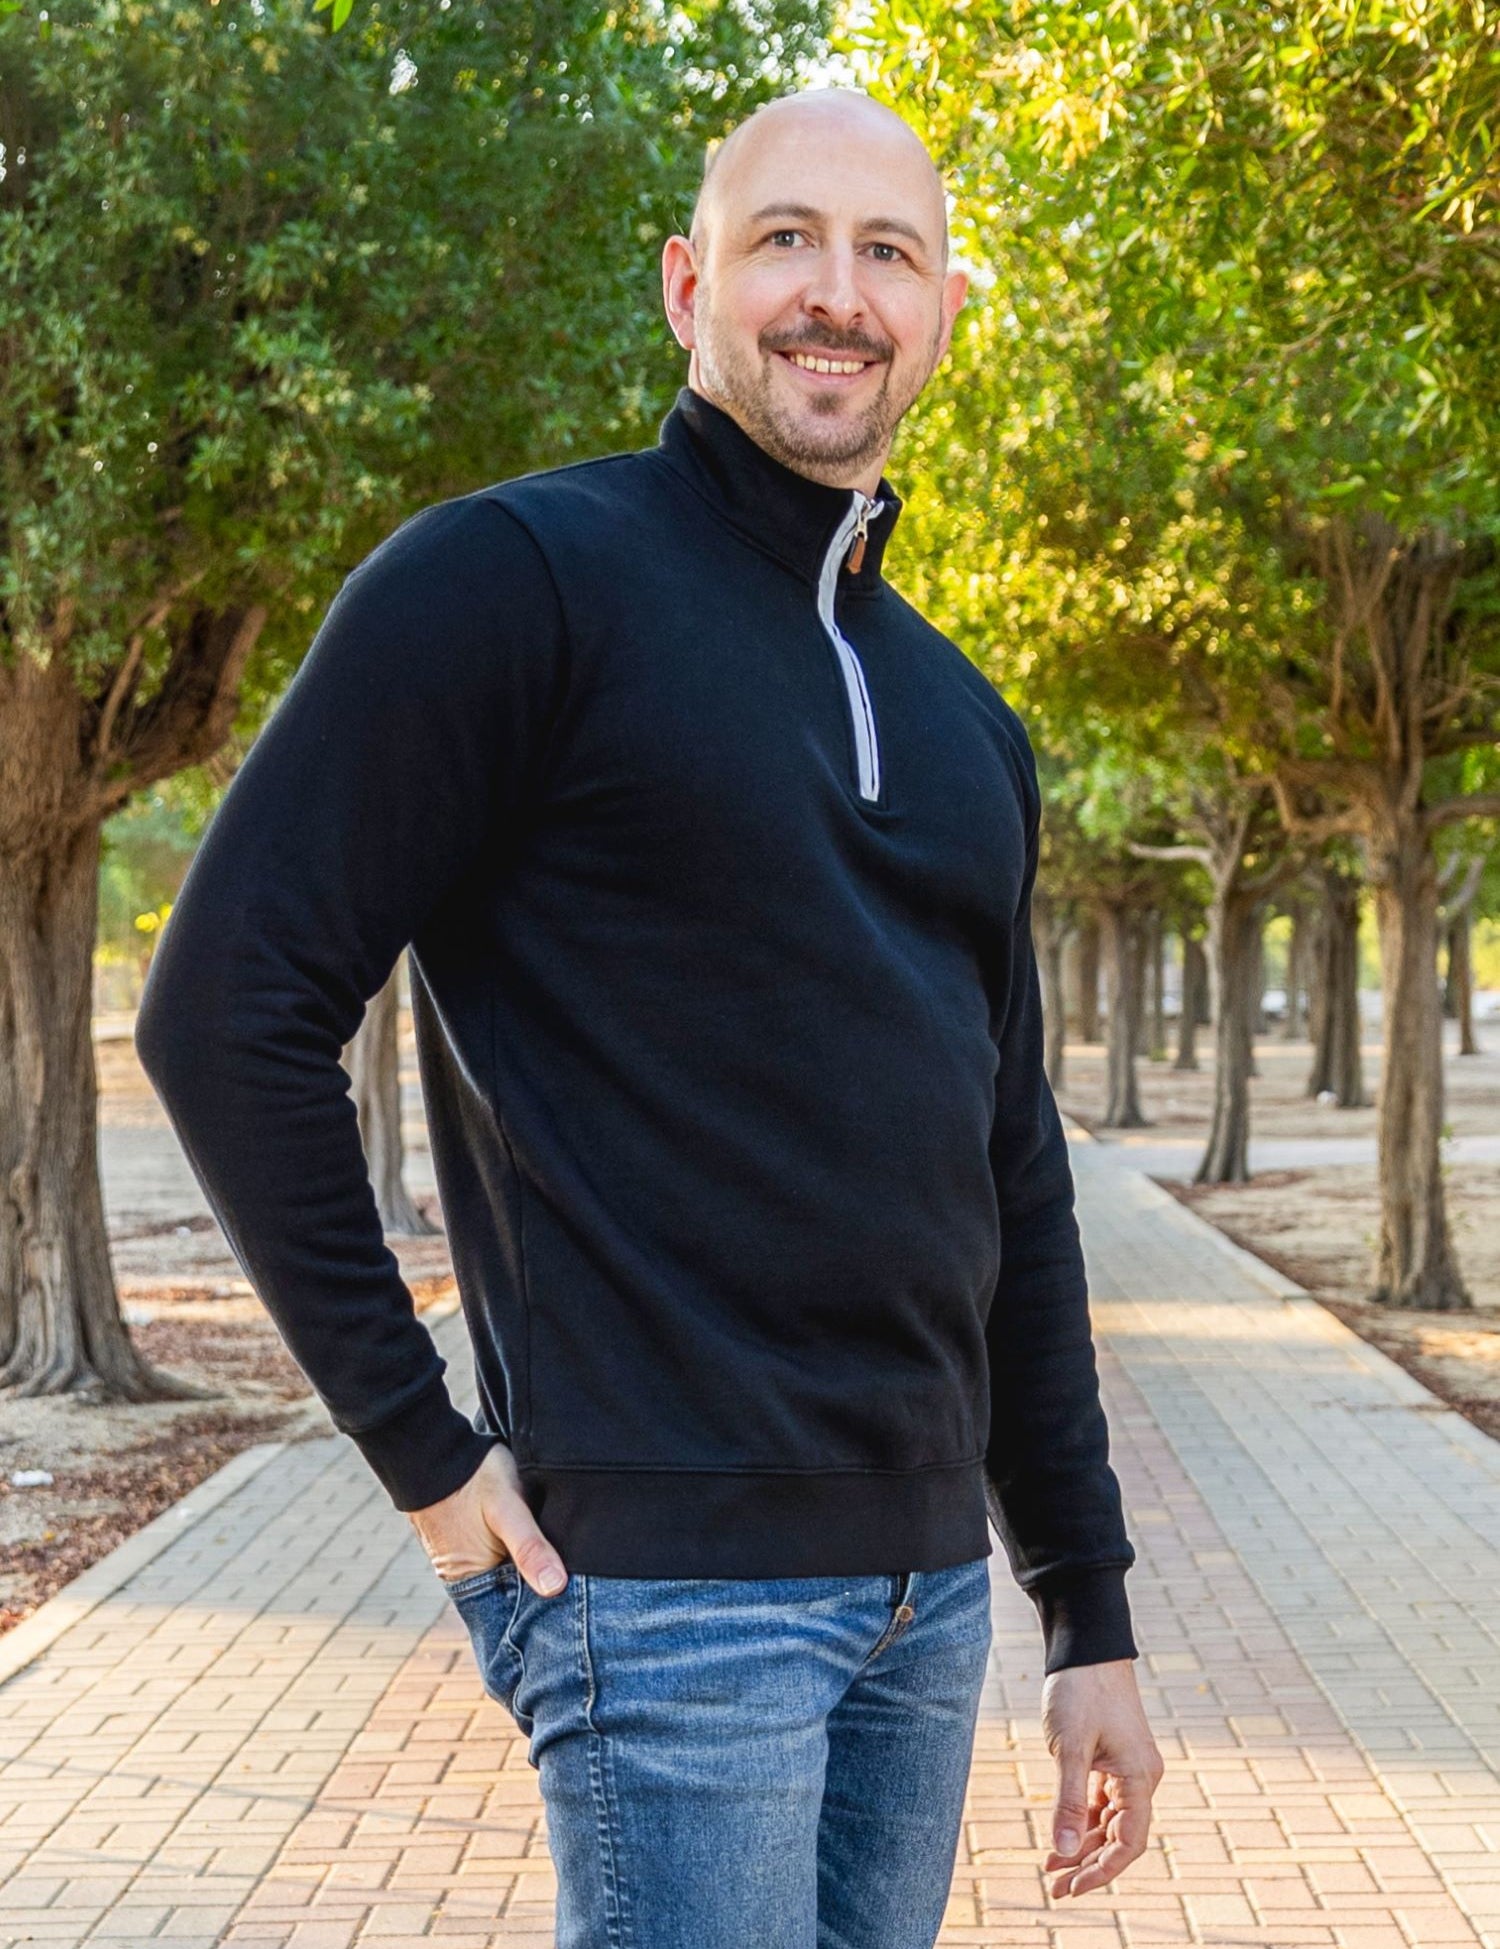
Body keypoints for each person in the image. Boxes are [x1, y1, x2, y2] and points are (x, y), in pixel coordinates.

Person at [136, 85, 1163, 1948]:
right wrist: (431, 1465)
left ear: (940, 316)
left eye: (885, 254)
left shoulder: (968, 723)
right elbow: (226, 1009)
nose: (834, 294)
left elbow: (1014, 1172)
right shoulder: (516, 584)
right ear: (690, 282)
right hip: (670, 1593)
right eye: (785, 240)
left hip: (929, 1594)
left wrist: (1082, 1602)